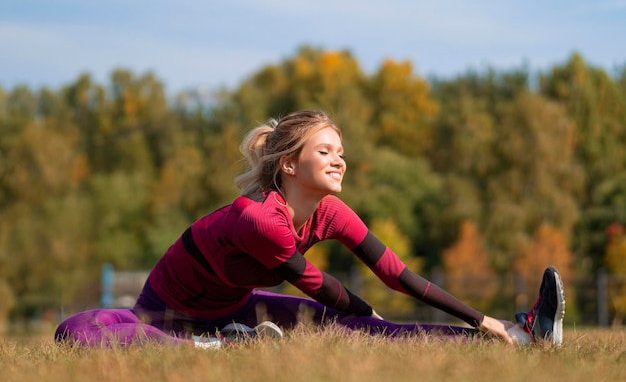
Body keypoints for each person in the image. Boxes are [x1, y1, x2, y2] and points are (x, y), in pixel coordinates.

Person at [55, 110, 566, 348]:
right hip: (163, 320)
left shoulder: (331, 214)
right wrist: (366, 313)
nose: (340, 160)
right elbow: (320, 286)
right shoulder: (260, 218)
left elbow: (398, 275)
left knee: (376, 331)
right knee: (74, 330)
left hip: (240, 308)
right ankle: (222, 346)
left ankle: (524, 337)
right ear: (290, 166)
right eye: (325, 152)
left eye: (341, 152)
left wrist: (484, 321)